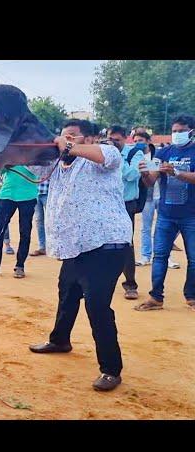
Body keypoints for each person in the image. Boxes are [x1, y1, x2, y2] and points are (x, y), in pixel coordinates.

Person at [29, 119, 132, 392]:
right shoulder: (59, 165)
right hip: (76, 245)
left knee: (97, 305)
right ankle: (60, 340)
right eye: (63, 136)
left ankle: (111, 369)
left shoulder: (105, 153)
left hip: (107, 244)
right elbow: (27, 160)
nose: (65, 141)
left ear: (88, 139)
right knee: (67, 292)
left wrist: (70, 146)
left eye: (73, 136)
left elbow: (103, 156)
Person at [135, 115, 195, 312]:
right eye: (175, 131)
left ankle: (192, 296)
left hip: (191, 215)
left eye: (181, 130)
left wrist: (176, 173)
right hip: (166, 214)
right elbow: (151, 181)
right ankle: (156, 297)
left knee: (193, 258)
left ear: (191, 131)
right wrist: (145, 172)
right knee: (159, 255)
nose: (177, 134)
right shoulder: (163, 152)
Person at [0, 165, 38, 279]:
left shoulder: (33, 152)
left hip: (28, 195)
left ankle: (20, 266)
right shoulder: (11, 149)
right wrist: (5, 163)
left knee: (25, 231)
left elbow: (40, 170)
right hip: (7, 194)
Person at [109, 125, 144, 300]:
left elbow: (132, 175)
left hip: (126, 204)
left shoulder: (134, 154)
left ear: (125, 138)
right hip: (106, 204)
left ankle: (130, 284)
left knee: (126, 244)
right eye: (111, 139)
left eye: (117, 139)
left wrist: (115, 158)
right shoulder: (103, 152)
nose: (113, 142)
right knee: (100, 243)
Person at [29, 179, 48, 256]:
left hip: (49, 192)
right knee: (38, 220)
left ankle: (58, 248)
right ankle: (42, 247)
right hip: (35, 193)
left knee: (52, 221)